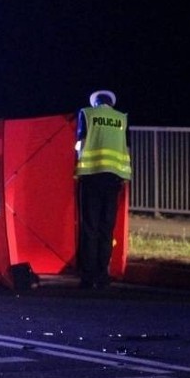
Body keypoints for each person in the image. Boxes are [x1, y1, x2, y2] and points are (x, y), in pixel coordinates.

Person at [74, 89, 132, 289]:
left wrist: (78, 168)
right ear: (111, 104)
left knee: (89, 227)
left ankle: (87, 277)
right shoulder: (121, 118)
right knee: (106, 228)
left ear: (96, 103)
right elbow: (126, 148)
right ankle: (102, 276)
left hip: (91, 176)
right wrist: (125, 176)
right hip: (114, 178)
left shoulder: (87, 114)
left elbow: (80, 144)